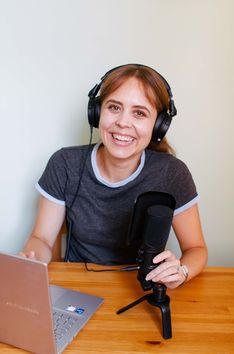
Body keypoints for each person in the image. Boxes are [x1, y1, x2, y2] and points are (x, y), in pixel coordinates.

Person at [20, 64, 208, 289]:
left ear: (159, 125)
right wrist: (31, 258)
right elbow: (41, 240)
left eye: (139, 113)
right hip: (78, 286)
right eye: (114, 107)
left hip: (141, 289)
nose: (123, 123)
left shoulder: (172, 173)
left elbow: (196, 250)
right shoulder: (65, 164)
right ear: (97, 112)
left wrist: (182, 271)